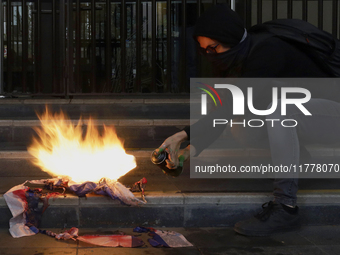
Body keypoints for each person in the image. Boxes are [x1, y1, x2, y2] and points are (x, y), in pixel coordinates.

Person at [155, 4, 340, 237]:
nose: (210, 55)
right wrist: (187, 152)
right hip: (309, 116)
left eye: (214, 47)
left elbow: (235, 105)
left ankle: (285, 207)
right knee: (242, 126)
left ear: (230, 38)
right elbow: (224, 112)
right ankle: (299, 158)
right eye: (204, 50)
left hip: (333, 112)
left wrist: (182, 134)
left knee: (280, 110)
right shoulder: (234, 60)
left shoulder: (267, 50)